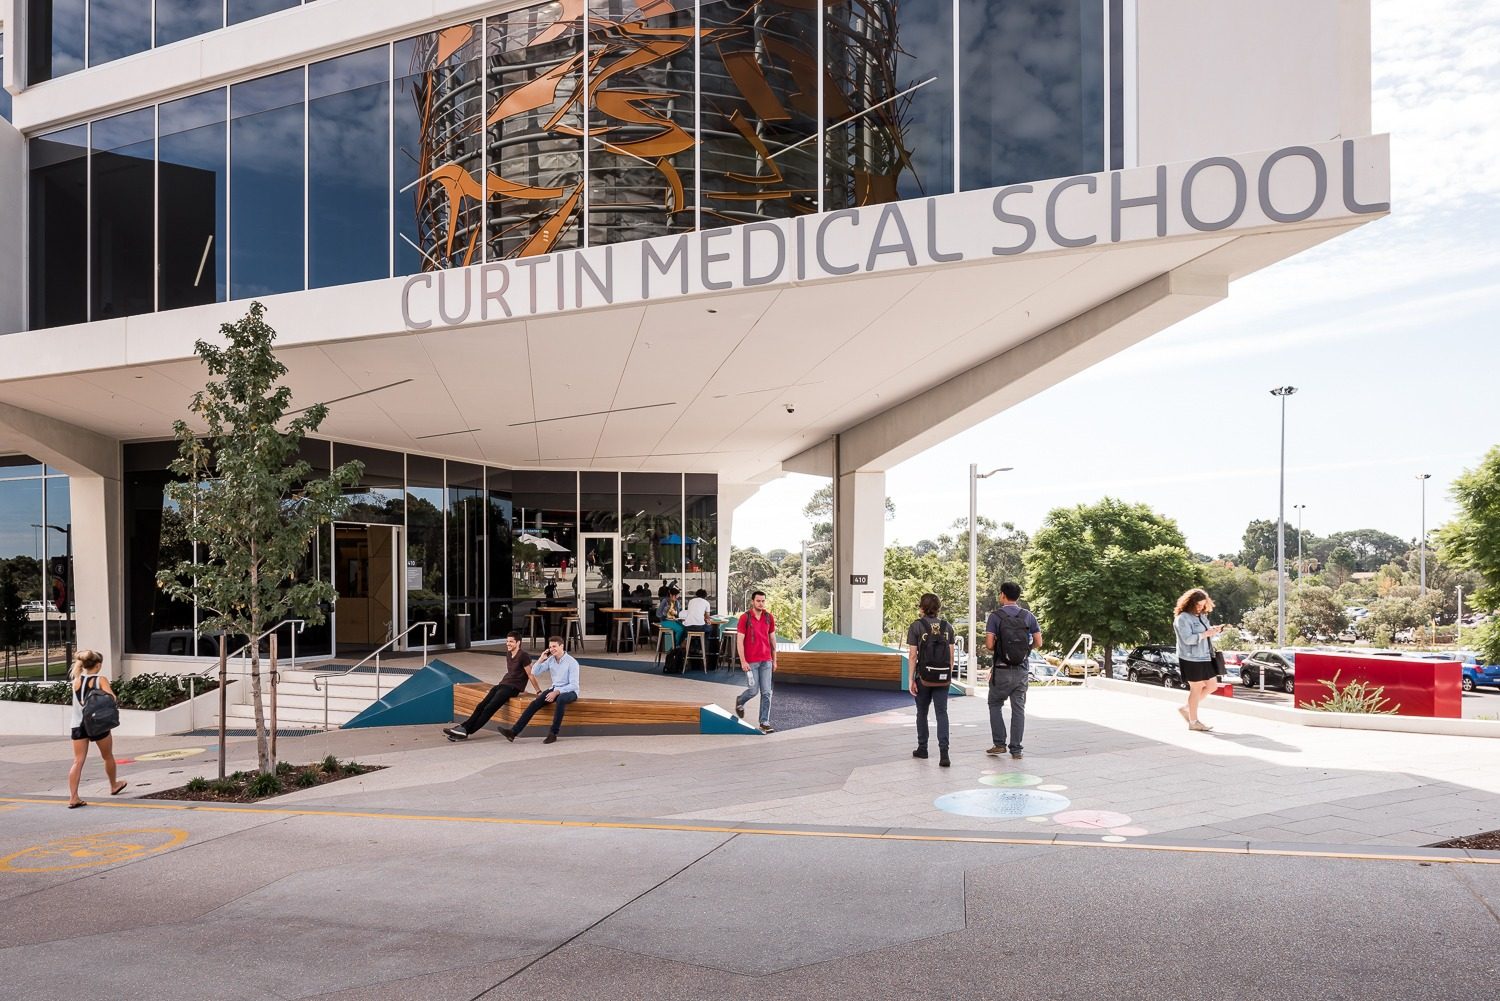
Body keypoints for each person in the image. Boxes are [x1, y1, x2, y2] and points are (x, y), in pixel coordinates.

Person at [443, 632, 537, 741]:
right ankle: (463, 728)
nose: (508, 643)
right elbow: (512, 672)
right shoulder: (508, 654)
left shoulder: (523, 655)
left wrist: (538, 691)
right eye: (507, 641)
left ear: (518, 642)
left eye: (511, 641)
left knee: (489, 708)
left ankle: (466, 730)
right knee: (481, 706)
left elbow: (530, 674)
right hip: (502, 684)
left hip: (512, 688)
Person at [985, 581, 1042, 760]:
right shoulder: (1028, 616)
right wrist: (1025, 651)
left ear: (1003, 595)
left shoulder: (995, 617)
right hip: (1022, 670)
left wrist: (1002, 650)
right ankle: (1016, 750)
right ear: (1018, 596)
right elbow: (1039, 642)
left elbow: (989, 645)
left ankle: (999, 744)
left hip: (1001, 669)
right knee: (1018, 709)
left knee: (995, 704)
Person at [66, 649, 127, 808]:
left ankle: (73, 797)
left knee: (78, 761)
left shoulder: (76, 681)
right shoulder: (101, 679)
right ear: (98, 665)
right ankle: (114, 785)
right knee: (107, 756)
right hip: (98, 724)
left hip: (78, 724)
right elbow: (112, 698)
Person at [907, 593, 955, 767]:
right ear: (938, 608)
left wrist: (911, 679)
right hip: (943, 678)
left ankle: (923, 748)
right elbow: (951, 656)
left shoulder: (916, 626)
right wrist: (947, 675)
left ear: (922, 607)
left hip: (923, 677)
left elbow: (913, 656)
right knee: (942, 713)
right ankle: (944, 754)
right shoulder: (947, 627)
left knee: (922, 712)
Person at [502, 636, 580, 744]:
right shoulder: (551, 660)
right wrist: (541, 659)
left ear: (562, 646)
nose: (552, 649)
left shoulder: (572, 663)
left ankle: (553, 734)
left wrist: (557, 692)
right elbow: (534, 672)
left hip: (570, 692)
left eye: (554, 646)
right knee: (535, 703)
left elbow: (574, 685)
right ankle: (513, 732)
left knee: (561, 699)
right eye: (550, 647)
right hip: (554, 688)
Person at [1173, 588, 1226, 732]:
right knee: (1196, 689)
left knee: (1212, 686)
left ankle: (1187, 708)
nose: (1200, 607)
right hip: (1190, 658)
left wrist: (1213, 631)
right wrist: (1205, 634)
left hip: (1205, 656)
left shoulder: (1201, 616)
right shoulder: (1182, 618)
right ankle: (1193, 721)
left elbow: (1205, 633)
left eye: (1203, 605)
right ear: (1190, 603)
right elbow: (1187, 639)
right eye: (1198, 605)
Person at [735, 590, 777, 733]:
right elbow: (739, 641)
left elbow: (772, 640)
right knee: (753, 691)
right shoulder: (744, 618)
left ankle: (764, 722)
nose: (761, 603)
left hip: (766, 660)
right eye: (758, 601)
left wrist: (774, 660)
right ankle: (740, 701)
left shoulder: (768, 618)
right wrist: (743, 661)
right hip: (751, 661)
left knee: (766, 693)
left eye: (763, 601)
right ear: (753, 601)